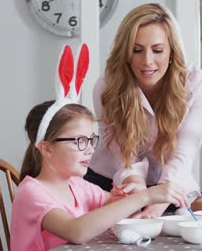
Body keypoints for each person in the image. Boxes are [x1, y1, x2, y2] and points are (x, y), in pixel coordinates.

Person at [84, 3, 202, 218]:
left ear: (172, 50)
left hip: (171, 185)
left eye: (158, 50)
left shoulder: (196, 84)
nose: (147, 61)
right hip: (112, 183)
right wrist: (135, 187)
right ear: (125, 53)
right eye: (137, 50)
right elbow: (121, 151)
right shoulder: (107, 87)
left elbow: (185, 150)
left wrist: (156, 205)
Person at [11, 100, 189, 250]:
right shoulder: (31, 193)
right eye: (80, 141)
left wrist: (125, 198)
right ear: (47, 148)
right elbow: (75, 231)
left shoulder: (77, 185)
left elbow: (113, 209)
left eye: (91, 140)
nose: (90, 150)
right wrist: (145, 197)